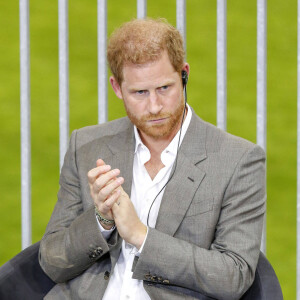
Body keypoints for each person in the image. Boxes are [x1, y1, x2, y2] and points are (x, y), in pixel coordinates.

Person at [39, 18, 266, 300]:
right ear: (117, 88)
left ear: (184, 75)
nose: (155, 106)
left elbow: (233, 275)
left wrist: (142, 237)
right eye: (140, 93)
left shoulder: (238, 160)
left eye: (164, 88)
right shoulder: (85, 146)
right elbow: (51, 261)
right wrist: (101, 221)